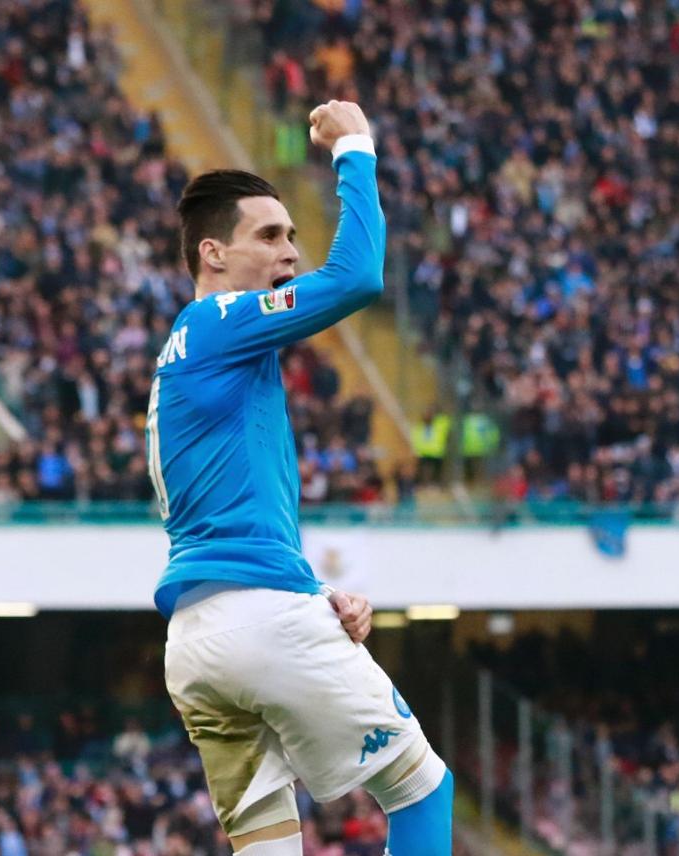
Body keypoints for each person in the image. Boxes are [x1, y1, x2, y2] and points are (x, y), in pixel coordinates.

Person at [148, 100, 452, 856]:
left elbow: (225, 523)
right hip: (258, 620)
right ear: (213, 254)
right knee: (422, 788)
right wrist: (355, 147)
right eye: (271, 236)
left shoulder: (190, 355)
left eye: (292, 234)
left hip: (195, 642)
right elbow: (356, 278)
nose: (290, 251)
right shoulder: (219, 321)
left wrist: (311, 595)